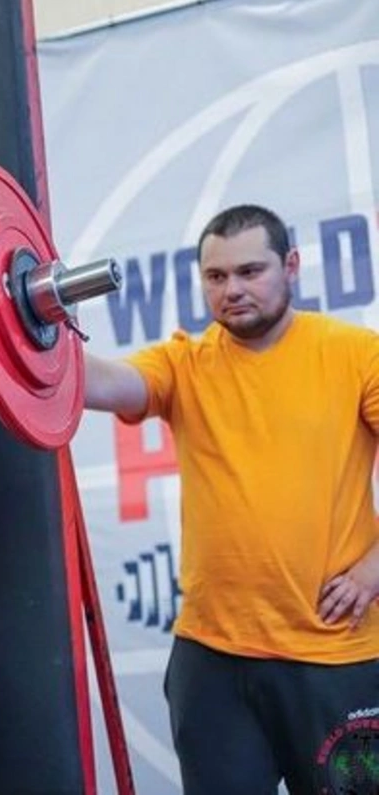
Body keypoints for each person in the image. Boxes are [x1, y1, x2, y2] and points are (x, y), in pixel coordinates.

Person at [82, 204, 379, 795]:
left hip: (336, 654)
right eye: (216, 277)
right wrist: (28, 332)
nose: (232, 290)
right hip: (212, 658)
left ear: (290, 266)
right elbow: (98, 382)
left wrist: (375, 565)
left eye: (250, 271)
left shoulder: (355, 353)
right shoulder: (184, 363)